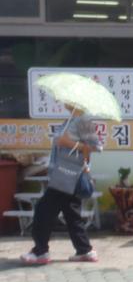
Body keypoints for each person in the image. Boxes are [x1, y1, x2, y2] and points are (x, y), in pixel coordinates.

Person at [20, 105, 102, 265]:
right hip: (64, 173)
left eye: (67, 100)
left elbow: (95, 147)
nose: (63, 102)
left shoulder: (82, 122)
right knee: (72, 213)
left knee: (43, 210)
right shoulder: (70, 121)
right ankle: (85, 250)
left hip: (67, 174)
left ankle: (40, 251)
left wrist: (68, 143)